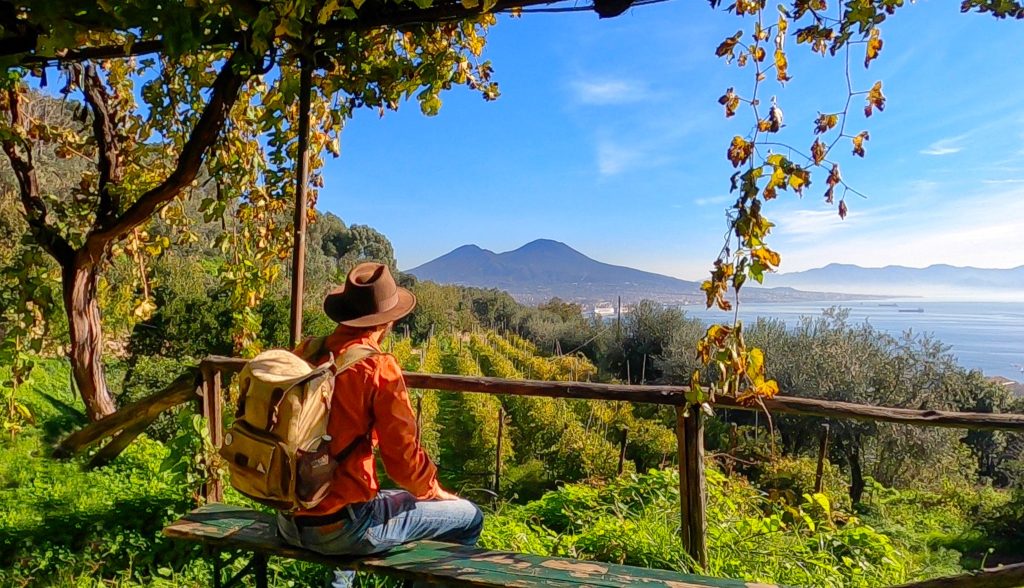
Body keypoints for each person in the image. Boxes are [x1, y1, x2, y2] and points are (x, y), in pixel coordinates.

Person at [276, 262, 483, 588]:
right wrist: (434, 491)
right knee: (469, 518)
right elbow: (402, 463)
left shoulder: (307, 352)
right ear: (386, 321)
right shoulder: (378, 368)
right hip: (343, 531)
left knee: (366, 499)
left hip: (289, 519)